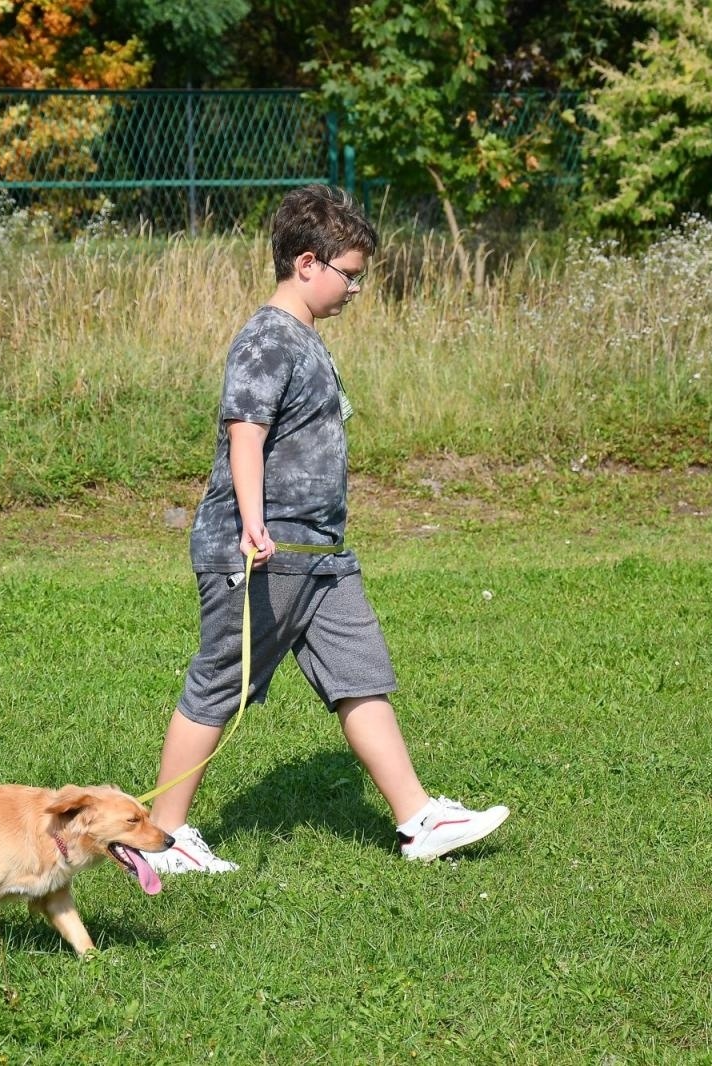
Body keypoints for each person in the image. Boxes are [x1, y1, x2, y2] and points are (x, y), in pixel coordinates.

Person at [143, 184, 509, 875]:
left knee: (360, 677)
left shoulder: (306, 338)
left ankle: (418, 818)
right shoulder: (266, 339)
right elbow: (244, 435)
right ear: (306, 263)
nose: (353, 290)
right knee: (223, 682)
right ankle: (166, 836)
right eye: (349, 276)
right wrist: (253, 523)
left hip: (322, 554)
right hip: (263, 549)